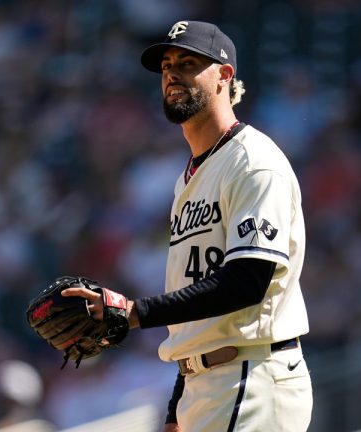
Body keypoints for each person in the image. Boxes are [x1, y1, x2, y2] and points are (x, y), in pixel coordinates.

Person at [62, 20, 312, 431]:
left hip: (252, 375)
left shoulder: (253, 162)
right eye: (166, 66)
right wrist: (179, 401)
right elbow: (195, 300)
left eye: (189, 62)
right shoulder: (190, 178)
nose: (172, 73)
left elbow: (247, 281)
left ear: (224, 76)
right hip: (209, 382)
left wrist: (133, 312)